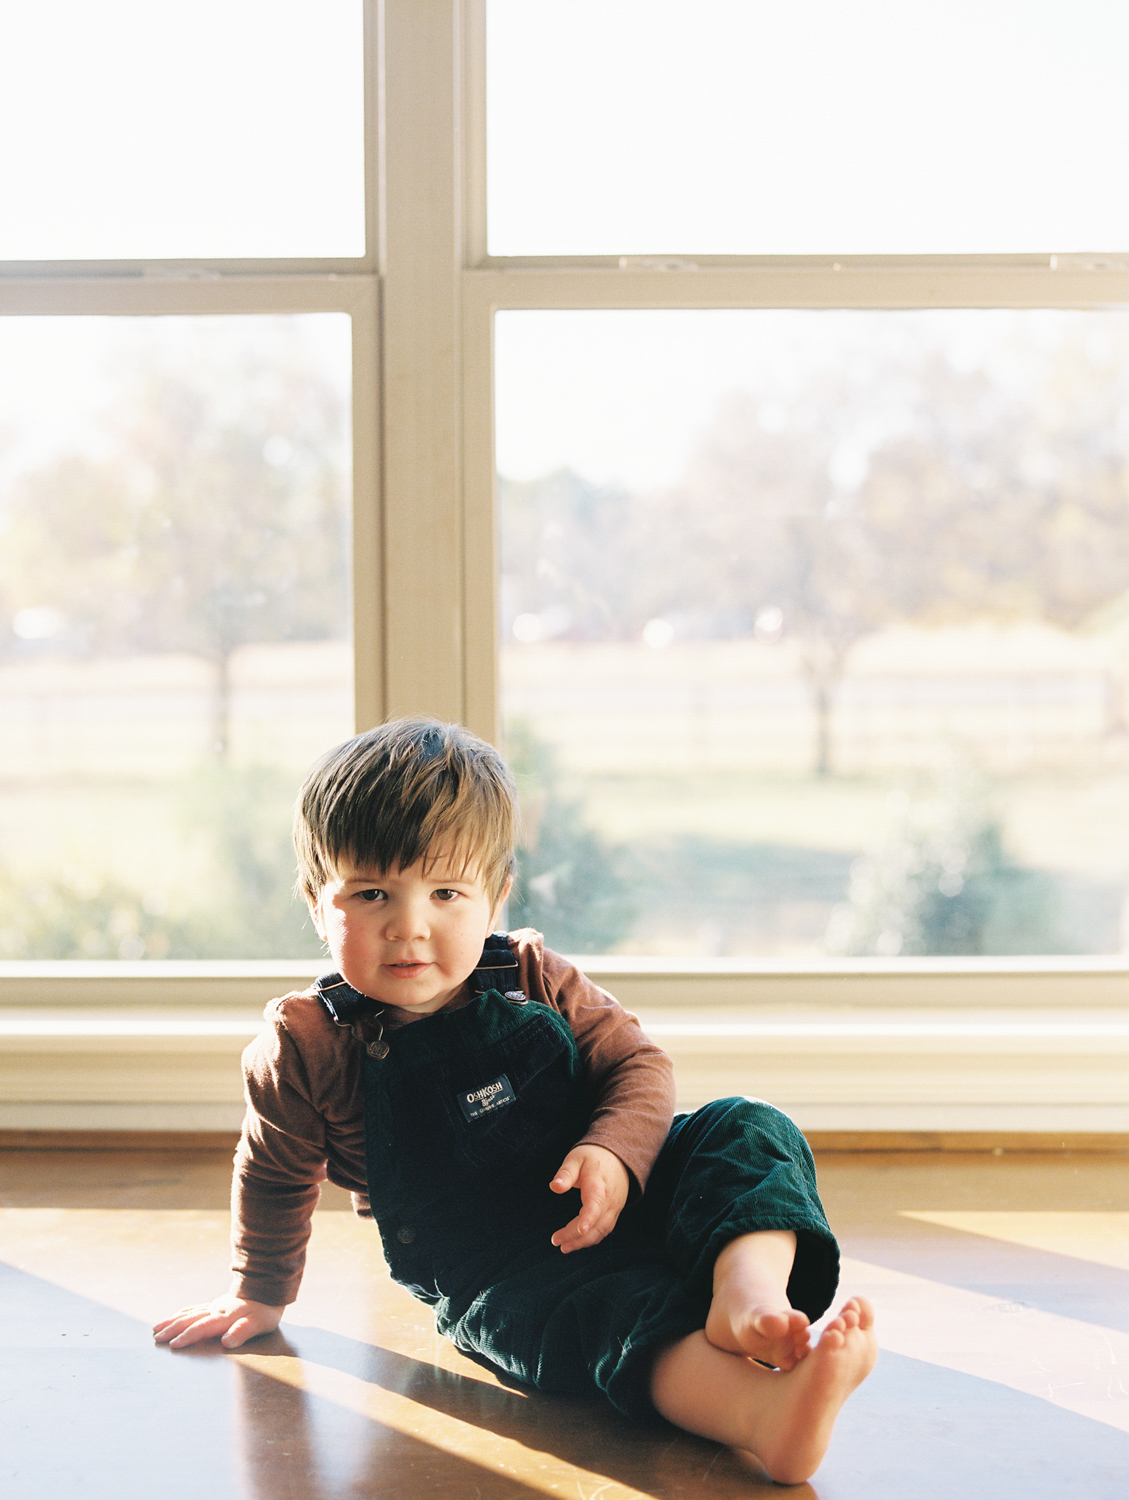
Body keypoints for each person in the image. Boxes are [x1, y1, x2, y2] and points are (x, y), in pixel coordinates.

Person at [153, 717, 876, 1485]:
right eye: (371, 894)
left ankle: (747, 1292)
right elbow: (272, 1171)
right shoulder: (306, 1046)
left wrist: (612, 1153)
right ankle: (755, 1412)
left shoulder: (531, 975)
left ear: (493, 897)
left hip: (626, 1191)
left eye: (445, 892)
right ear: (314, 902)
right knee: (593, 1325)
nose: (409, 926)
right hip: (499, 1268)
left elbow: (638, 1064)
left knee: (747, 1129)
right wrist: (257, 1295)